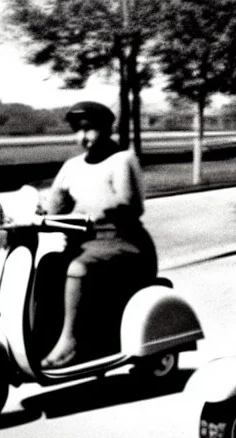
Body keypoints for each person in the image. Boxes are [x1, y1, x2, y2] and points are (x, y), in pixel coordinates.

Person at [41, 101, 158, 369]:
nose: (82, 137)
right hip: (84, 242)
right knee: (46, 266)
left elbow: (131, 205)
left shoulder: (122, 159)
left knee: (77, 268)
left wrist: (89, 211)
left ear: (106, 129)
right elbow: (54, 204)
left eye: (89, 129)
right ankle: (45, 336)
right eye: (77, 130)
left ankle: (69, 343)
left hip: (123, 242)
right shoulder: (71, 166)